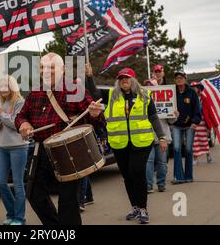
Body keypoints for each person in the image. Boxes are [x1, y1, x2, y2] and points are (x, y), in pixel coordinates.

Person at [15, 53, 104, 225]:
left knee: (68, 204)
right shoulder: (35, 92)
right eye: (43, 67)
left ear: (63, 69)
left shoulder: (74, 89)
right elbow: (21, 116)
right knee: (34, 195)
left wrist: (95, 114)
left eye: (51, 68)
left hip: (68, 153)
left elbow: (99, 123)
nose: (46, 71)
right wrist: (23, 124)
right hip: (41, 151)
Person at [86, 65, 167, 224]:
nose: (124, 81)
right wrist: (89, 77)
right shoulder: (112, 95)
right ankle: (135, 206)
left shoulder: (145, 95)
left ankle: (143, 208)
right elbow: (93, 93)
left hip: (141, 142)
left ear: (133, 79)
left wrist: (162, 137)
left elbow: (153, 117)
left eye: (127, 78)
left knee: (136, 171)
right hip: (120, 143)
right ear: (119, 81)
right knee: (127, 176)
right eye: (121, 79)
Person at [0, 75, 27, 225]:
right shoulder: (0, 102)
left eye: (6, 85)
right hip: (2, 147)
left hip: (18, 147)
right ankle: (12, 213)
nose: (3, 88)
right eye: (1, 86)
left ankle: (19, 218)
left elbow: (16, 124)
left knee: (18, 184)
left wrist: (1, 114)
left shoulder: (20, 102)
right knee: (0, 182)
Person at [143, 79, 173, 193]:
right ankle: (149, 185)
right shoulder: (142, 100)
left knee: (162, 162)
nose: (149, 86)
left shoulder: (166, 101)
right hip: (147, 136)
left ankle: (161, 183)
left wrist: (174, 115)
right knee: (148, 162)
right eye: (147, 85)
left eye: (151, 85)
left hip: (162, 137)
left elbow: (171, 121)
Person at [171, 71, 201, 184]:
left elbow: (197, 109)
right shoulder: (172, 92)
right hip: (176, 125)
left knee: (188, 150)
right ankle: (178, 177)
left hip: (189, 125)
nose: (179, 79)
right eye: (177, 78)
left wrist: (195, 121)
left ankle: (188, 176)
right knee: (176, 149)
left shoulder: (191, 92)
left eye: (181, 77)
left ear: (185, 79)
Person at [190, 82, 216, 165]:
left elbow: (210, 112)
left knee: (204, 140)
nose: (194, 89)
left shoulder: (204, 99)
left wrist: (212, 124)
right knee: (194, 141)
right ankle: (195, 159)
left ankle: (208, 155)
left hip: (203, 122)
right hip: (193, 122)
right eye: (192, 87)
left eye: (195, 87)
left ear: (199, 89)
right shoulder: (190, 99)